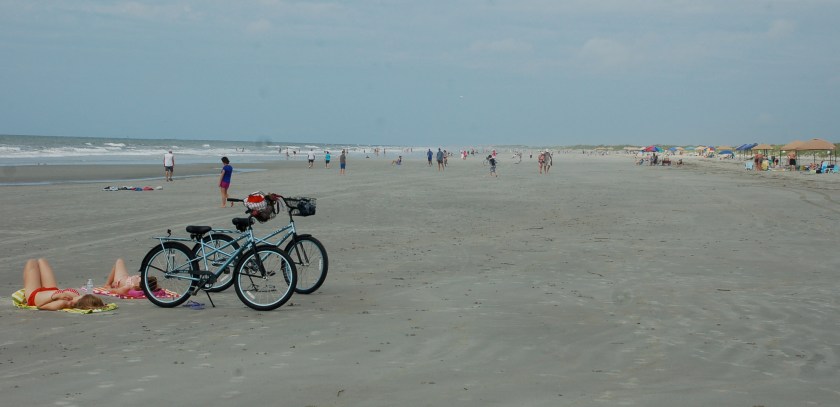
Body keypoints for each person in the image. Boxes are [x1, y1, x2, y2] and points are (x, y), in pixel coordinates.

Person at [23, 258, 106, 310]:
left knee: (31, 262)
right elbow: (94, 300)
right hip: (52, 289)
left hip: (34, 296)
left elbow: (40, 306)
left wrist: (55, 297)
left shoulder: (63, 303)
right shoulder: (80, 297)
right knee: (42, 261)